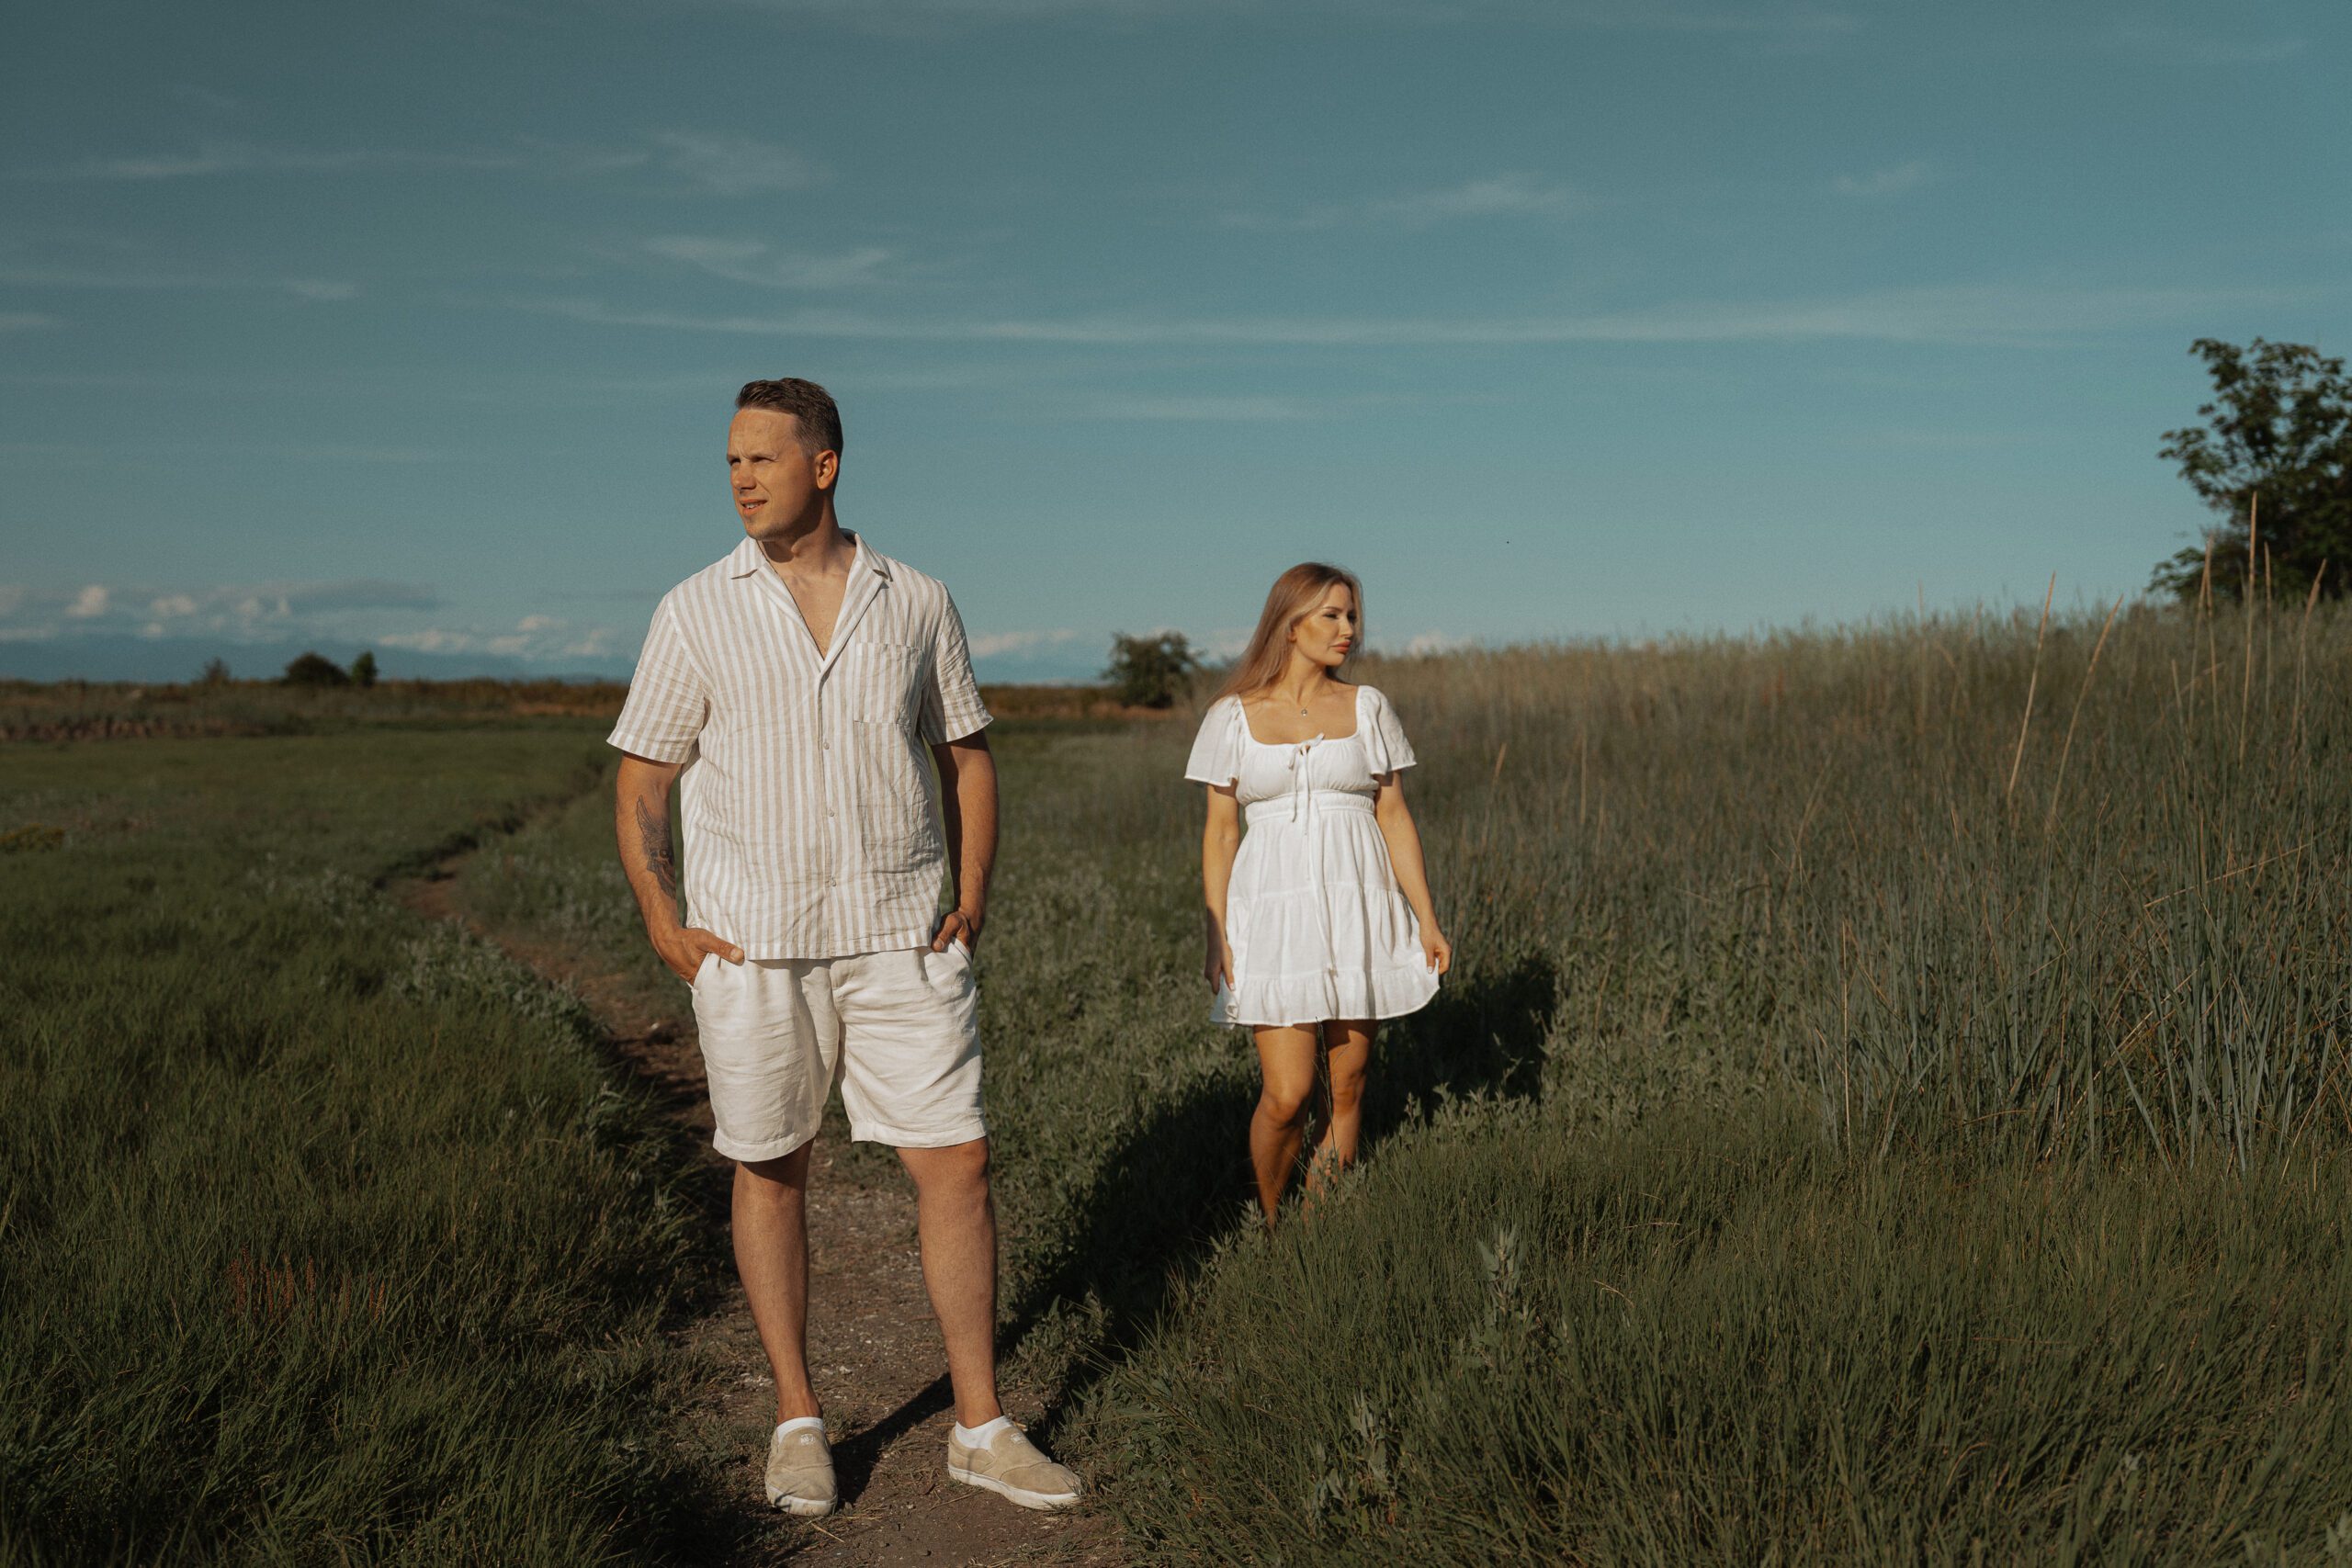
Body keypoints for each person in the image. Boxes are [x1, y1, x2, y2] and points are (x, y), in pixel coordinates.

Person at [607, 378, 1080, 1518]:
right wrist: (661, 913)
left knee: (956, 1161)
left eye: (762, 459)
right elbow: (644, 777)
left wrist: (971, 894)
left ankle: (980, 1427)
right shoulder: (694, 608)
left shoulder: (915, 600)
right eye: (730, 461)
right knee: (771, 1167)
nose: (741, 479)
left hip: (901, 934)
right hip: (754, 944)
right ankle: (798, 1420)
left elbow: (965, 753)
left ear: (823, 465)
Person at [1184, 562, 1453, 1228]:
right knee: (1287, 1093)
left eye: (1352, 615)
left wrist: (1426, 917)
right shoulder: (1231, 716)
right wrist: (1216, 933)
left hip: (1359, 906)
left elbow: (1394, 815)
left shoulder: (1368, 707)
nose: (1347, 628)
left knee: (1348, 1086)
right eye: (1331, 614)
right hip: (1274, 916)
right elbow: (1221, 832)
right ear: (1289, 623)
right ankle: (1272, 1224)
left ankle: (1317, 1231)